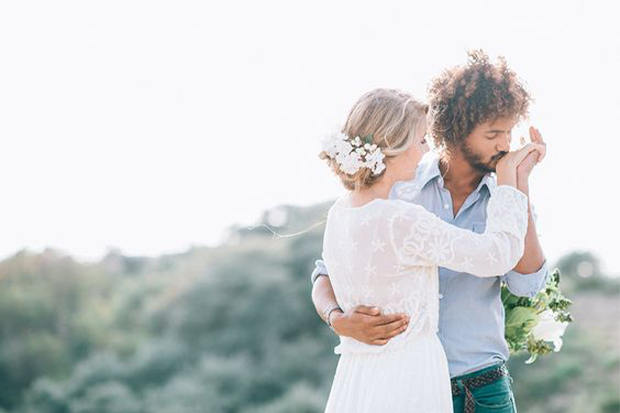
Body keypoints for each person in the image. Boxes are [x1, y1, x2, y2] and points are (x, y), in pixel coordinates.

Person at [313, 51, 548, 413]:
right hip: (402, 385)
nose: (505, 144)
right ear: (456, 130)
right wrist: (337, 319)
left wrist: (518, 185)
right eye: (493, 133)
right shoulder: (395, 194)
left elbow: (525, 285)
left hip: (482, 384)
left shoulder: (507, 203)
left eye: (510, 132)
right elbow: (326, 270)